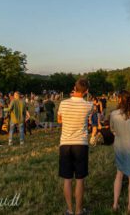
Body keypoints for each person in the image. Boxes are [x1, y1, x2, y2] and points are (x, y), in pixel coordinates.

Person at [58, 78, 93, 215]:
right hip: (81, 144)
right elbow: (90, 119)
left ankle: (70, 210)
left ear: (74, 87)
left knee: (67, 179)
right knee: (80, 179)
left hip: (65, 143)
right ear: (87, 91)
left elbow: (60, 120)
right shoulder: (89, 105)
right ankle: (79, 211)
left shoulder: (63, 103)